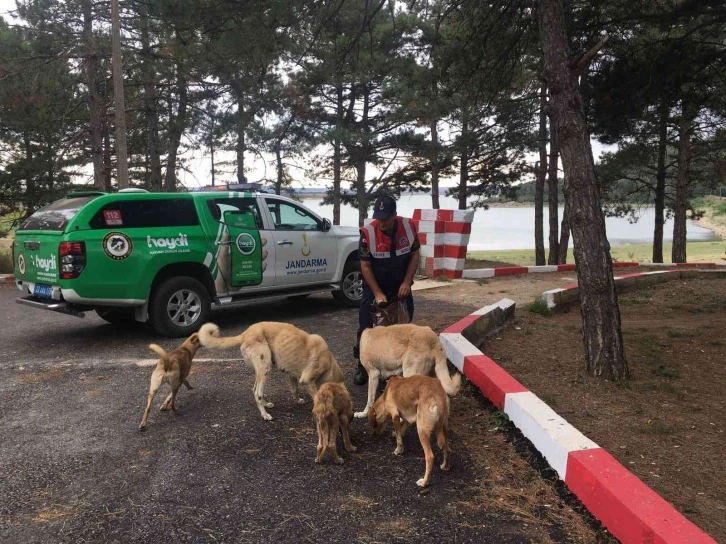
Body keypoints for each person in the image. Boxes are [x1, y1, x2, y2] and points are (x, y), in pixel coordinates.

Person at [352, 195, 420, 385]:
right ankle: (361, 364)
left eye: (386, 218)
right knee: (366, 327)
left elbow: (415, 255)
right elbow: (365, 266)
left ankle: (392, 370)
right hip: (374, 284)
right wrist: (377, 293)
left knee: (401, 329)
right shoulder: (368, 233)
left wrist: (407, 282)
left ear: (395, 215)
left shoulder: (409, 228)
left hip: (400, 285)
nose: (381, 222)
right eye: (378, 217)